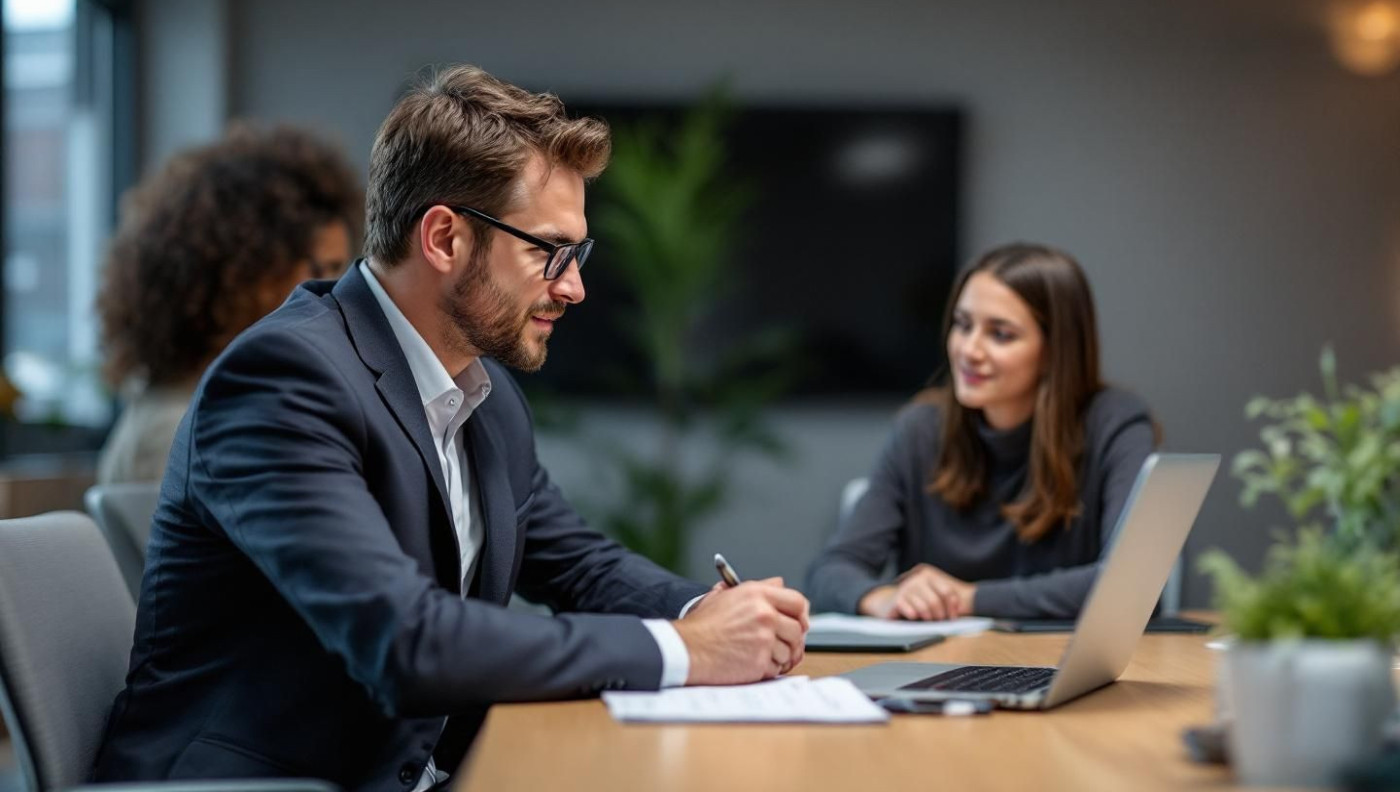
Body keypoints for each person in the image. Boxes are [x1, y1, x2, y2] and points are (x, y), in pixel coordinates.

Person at [91, 65, 808, 791]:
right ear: (444, 239)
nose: (575, 286)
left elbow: (577, 563)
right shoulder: (284, 380)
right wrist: (684, 649)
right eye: (547, 251)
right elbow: (406, 642)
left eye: (578, 254)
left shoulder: (485, 395)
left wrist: (708, 611)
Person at [806, 243, 1156, 621]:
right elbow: (830, 571)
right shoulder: (921, 429)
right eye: (963, 324)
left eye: (1000, 334)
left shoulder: (1113, 423)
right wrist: (881, 598)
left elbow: (1131, 586)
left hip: (1063, 669)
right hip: (940, 671)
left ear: (1056, 350)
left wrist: (969, 599)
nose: (969, 350)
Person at [95, 124, 363, 485]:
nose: (335, 293)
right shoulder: (177, 432)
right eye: (323, 270)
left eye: (342, 271)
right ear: (248, 273)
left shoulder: (230, 405)